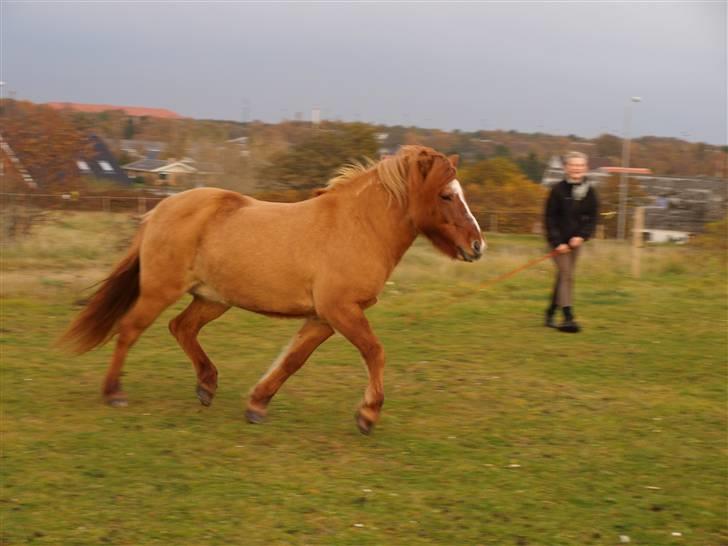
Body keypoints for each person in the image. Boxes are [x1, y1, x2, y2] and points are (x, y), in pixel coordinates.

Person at [544, 151, 599, 333]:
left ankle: (550, 312)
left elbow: (592, 219)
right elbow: (549, 219)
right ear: (566, 168)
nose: (577, 168)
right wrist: (557, 242)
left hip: (575, 243)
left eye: (580, 165)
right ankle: (568, 317)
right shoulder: (557, 190)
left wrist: (581, 236)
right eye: (573, 165)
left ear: (586, 168)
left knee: (563, 277)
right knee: (567, 275)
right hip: (557, 243)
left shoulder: (590, 192)